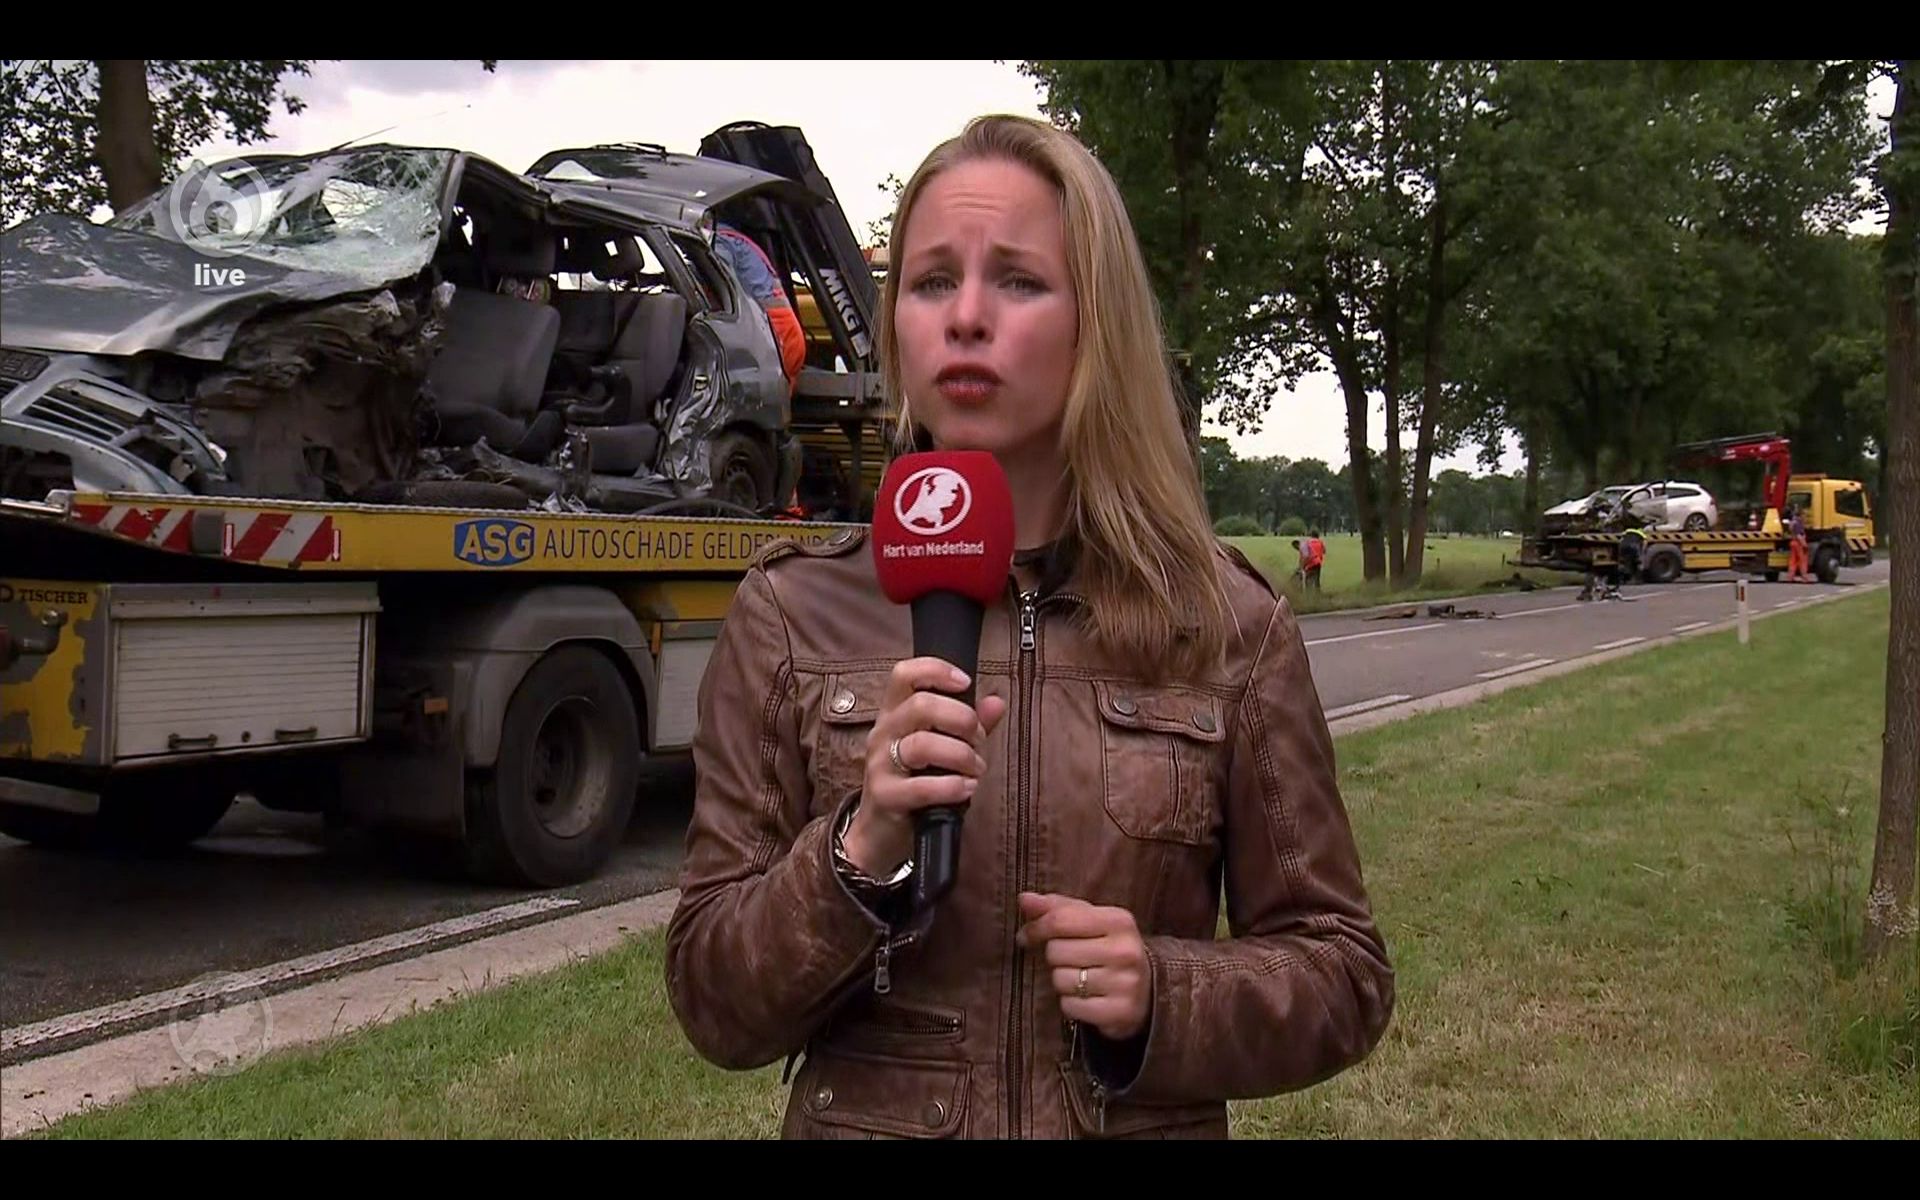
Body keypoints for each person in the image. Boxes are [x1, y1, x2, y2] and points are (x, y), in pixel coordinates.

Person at [665, 115, 1393, 1140]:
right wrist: (859, 850)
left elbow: (1343, 974)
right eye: (931, 282)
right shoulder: (790, 615)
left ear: (1097, 322)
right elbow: (714, 1003)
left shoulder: (1226, 624)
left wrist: (1163, 994)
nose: (966, 318)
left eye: (1017, 281)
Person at [713, 221, 807, 396]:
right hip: (784, 338)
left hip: (775, 340)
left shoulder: (720, 243)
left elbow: (716, 283)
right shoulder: (736, 240)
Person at [1787, 505, 1811, 583]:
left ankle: (1790, 577)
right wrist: (1804, 544)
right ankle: (1804, 577)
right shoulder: (1799, 522)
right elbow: (1799, 534)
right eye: (1803, 515)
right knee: (1802, 560)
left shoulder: (1792, 522)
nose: (1804, 517)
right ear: (1800, 515)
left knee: (1793, 561)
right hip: (1799, 543)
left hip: (1793, 542)